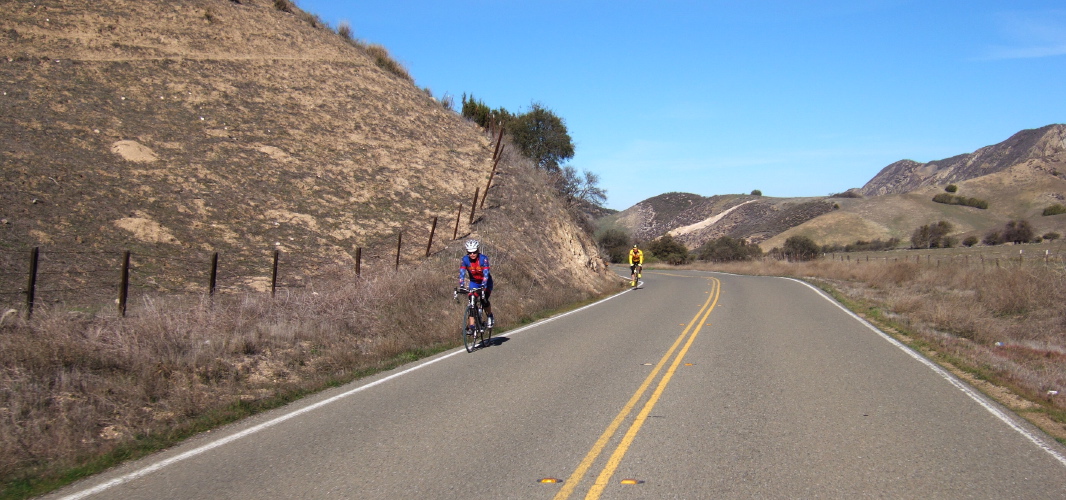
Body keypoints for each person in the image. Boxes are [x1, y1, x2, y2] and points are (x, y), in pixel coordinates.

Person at [458, 239, 494, 331]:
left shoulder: (483, 259)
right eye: (470, 253)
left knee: (483, 299)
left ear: (478, 250)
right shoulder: (465, 260)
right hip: (474, 282)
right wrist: (461, 285)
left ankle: (490, 316)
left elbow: (486, 273)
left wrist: (483, 285)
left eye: (474, 252)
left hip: (486, 282)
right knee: (472, 301)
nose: (472, 254)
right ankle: (471, 326)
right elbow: (462, 273)